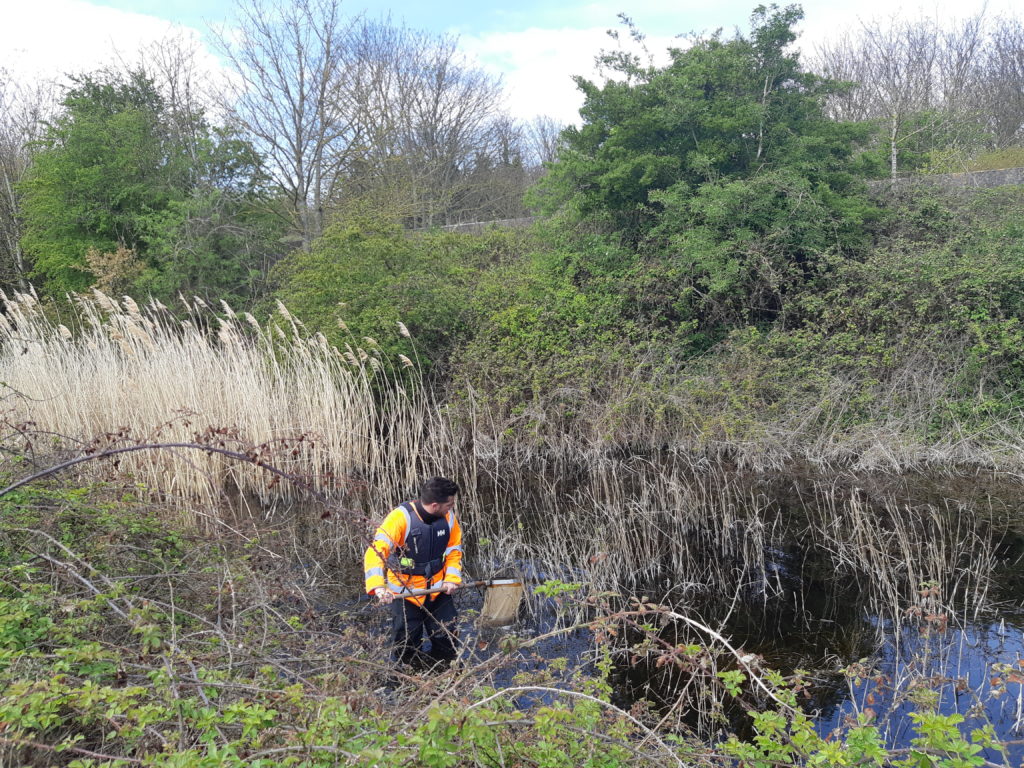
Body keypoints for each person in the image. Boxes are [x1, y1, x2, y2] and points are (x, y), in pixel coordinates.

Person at [363, 476, 463, 669]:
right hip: (405, 592)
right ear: (435, 505)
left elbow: (454, 550)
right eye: (449, 504)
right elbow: (376, 551)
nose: (452, 507)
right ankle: (409, 682)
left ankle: (446, 675)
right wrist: (378, 586)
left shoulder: (449, 518)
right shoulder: (400, 519)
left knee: (447, 635)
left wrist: (451, 578)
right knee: (407, 642)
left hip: (438, 589)